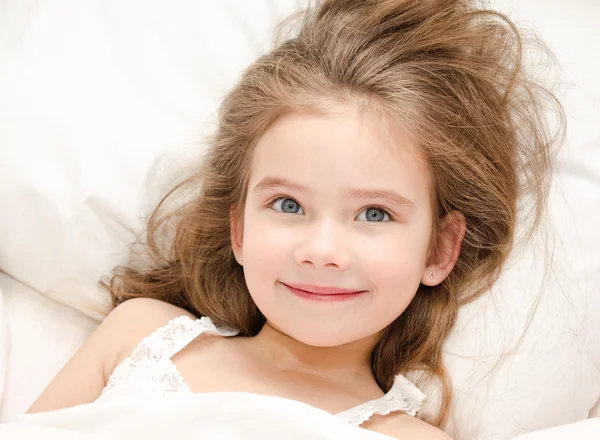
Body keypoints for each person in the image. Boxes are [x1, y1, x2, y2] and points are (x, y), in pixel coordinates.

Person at [25, 0, 564, 438]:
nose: (321, 248)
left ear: (439, 251)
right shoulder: (139, 336)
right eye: (287, 205)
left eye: (374, 213)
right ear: (238, 228)